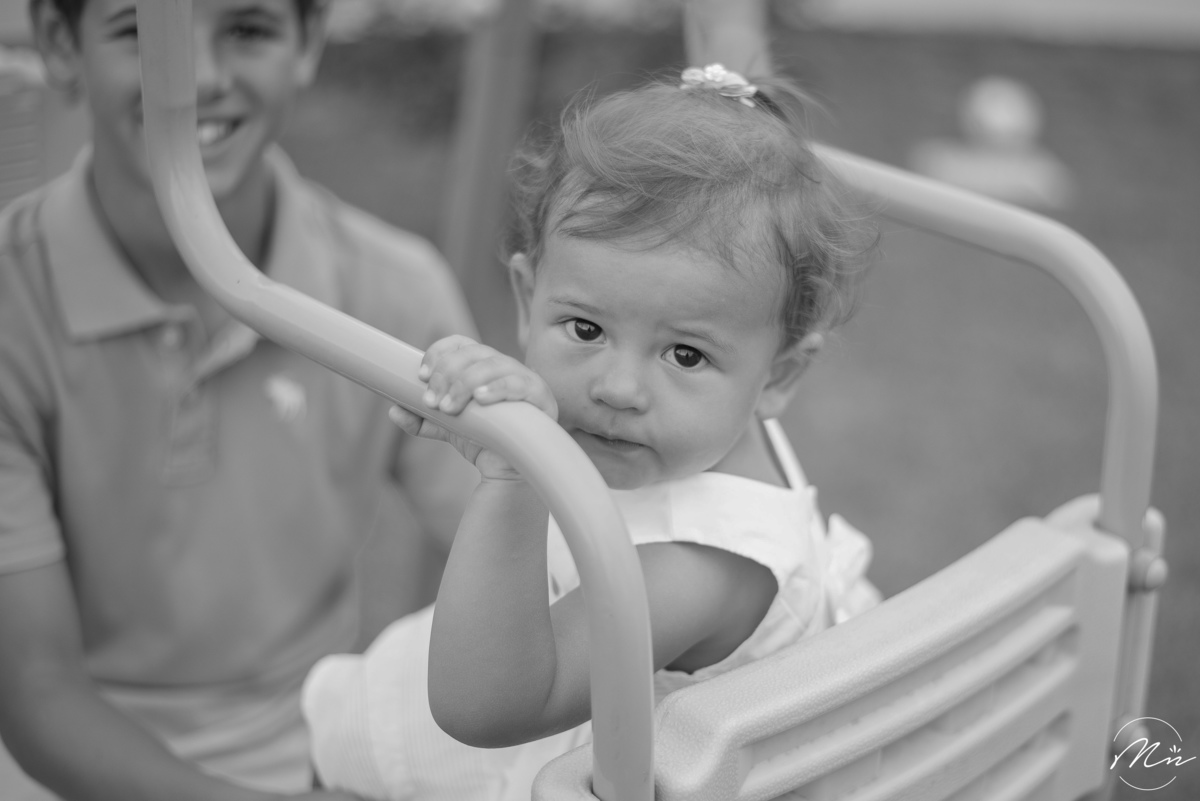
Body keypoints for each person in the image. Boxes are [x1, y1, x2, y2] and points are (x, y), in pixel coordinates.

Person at [302, 64, 882, 800]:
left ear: (779, 375)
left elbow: (486, 706)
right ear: (527, 297)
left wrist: (515, 473)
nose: (618, 388)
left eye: (685, 355)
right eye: (585, 328)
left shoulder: (707, 565)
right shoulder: (719, 434)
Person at [0, 0, 479, 798]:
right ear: (59, 42)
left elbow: (537, 566)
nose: (200, 79)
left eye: (248, 30)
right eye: (138, 32)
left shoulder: (391, 288)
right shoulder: (14, 307)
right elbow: (33, 686)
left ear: (308, 41)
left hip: (316, 740)